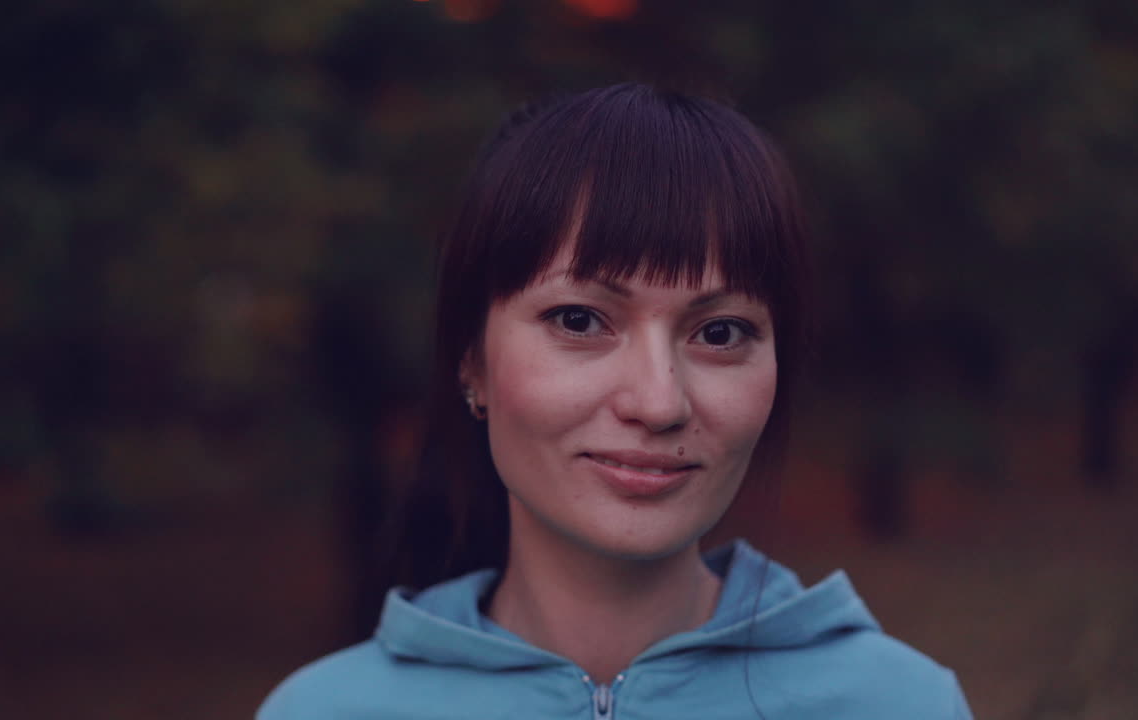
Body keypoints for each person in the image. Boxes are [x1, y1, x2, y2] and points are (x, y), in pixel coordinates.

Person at [258, 83, 973, 719]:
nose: (658, 401)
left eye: (720, 332)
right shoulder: (323, 711)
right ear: (471, 361)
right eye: (579, 321)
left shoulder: (901, 706)